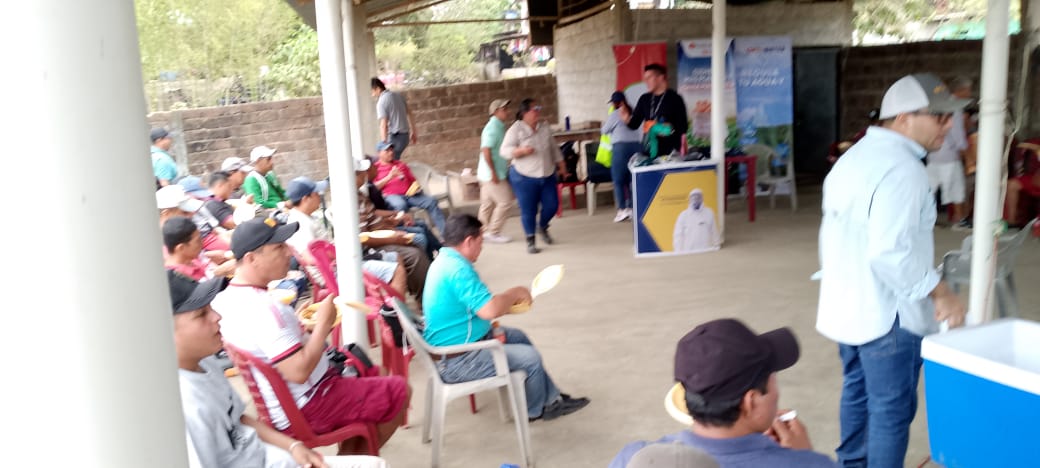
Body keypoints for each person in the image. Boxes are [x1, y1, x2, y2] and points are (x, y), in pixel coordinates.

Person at [817, 73, 968, 468]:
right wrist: (941, 292)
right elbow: (890, 253)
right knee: (890, 412)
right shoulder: (903, 169)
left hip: (848, 304)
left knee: (857, 393)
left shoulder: (853, 158)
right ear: (904, 118)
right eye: (939, 117)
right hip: (888, 316)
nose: (948, 125)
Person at [211, 218, 410, 452]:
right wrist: (324, 324)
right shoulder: (265, 310)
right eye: (279, 247)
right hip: (310, 403)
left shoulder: (225, 300)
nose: (289, 253)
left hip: (287, 402)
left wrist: (298, 327)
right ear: (251, 258)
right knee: (400, 390)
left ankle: (353, 456)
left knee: (376, 373)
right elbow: (298, 372)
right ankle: (354, 459)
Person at [423, 213, 589, 421]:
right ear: (469, 241)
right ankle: (535, 410)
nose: (482, 248)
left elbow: (478, 307)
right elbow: (489, 310)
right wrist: (514, 293)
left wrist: (510, 306)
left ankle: (550, 398)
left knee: (518, 337)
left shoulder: (445, 260)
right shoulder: (457, 269)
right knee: (530, 358)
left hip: (458, 347)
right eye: (480, 242)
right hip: (457, 361)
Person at [610, 319, 838, 468]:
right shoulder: (809, 465)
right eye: (773, 377)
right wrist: (804, 458)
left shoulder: (632, 458)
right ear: (751, 402)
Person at [167, 271, 328, 468]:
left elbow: (238, 419)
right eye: (201, 314)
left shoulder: (205, 363)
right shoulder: (185, 407)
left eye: (210, 308)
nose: (217, 316)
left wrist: (293, 446)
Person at [285, 174, 410, 298]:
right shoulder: (300, 223)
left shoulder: (306, 217)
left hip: (341, 265)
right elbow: (310, 258)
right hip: (337, 274)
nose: (319, 196)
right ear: (306, 199)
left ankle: (387, 302)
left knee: (395, 257)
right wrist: (341, 253)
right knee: (397, 271)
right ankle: (392, 310)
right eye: (316, 193)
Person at [500, 98, 571, 254]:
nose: (538, 111)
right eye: (535, 108)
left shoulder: (544, 127)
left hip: (547, 175)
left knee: (552, 205)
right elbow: (504, 151)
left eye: (539, 108)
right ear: (525, 112)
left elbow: (554, 149)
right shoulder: (516, 129)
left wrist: (562, 167)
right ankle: (530, 240)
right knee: (528, 209)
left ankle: (542, 226)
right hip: (523, 177)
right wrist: (521, 151)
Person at [355, 161, 431, 301]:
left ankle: (424, 291)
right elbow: (363, 238)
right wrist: (393, 238)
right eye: (361, 173)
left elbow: (372, 218)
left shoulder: (359, 194)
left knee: (417, 240)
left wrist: (390, 222)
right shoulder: (351, 200)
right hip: (370, 248)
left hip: (382, 233)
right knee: (416, 252)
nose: (364, 174)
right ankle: (423, 299)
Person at [361, 156, 443, 260]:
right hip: (383, 227)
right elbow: (374, 213)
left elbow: (412, 180)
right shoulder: (367, 188)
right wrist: (396, 216)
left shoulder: (399, 165)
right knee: (420, 235)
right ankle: (429, 259)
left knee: (422, 223)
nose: (377, 167)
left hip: (389, 219)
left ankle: (439, 251)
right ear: (368, 170)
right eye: (374, 166)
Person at [926, 77, 972, 231]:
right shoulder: (955, 108)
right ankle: (959, 220)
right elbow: (957, 135)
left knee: (929, 190)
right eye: (968, 90)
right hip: (949, 155)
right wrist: (966, 155)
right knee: (956, 187)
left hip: (933, 153)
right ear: (961, 91)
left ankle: (925, 220)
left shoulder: (938, 104)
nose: (969, 94)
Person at [372, 141, 447, 234]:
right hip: (392, 196)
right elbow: (374, 188)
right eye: (387, 151)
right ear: (379, 153)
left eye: (391, 150)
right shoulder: (375, 168)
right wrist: (389, 177)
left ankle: (446, 235)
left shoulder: (400, 164)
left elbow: (413, 181)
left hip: (410, 195)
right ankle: (410, 235)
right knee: (400, 205)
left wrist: (417, 188)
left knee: (431, 201)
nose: (391, 152)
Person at [619, 64, 688, 156]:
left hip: (671, 153)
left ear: (660, 77)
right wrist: (627, 120)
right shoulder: (644, 99)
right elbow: (634, 124)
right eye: (645, 79)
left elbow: (683, 127)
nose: (646, 82)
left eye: (649, 78)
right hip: (650, 151)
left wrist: (669, 130)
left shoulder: (675, 98)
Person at [477, 98, 515, 243]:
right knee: (505, 202)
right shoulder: (493, 128)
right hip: (491, 173)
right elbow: (486, 150)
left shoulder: (498, 126)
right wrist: (493, 172)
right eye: (504, 109)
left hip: (485, 173)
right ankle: (494, 232)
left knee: (487, 204)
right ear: (495, 112)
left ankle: (481, 232)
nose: (507, 112)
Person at [602, 91, 643, 222]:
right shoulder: (634, 111)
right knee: (631, 180)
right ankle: (632, 208)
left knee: (618, 180)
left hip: (621, 148)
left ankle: (622, 210)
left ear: (615, 103)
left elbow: (604, 130)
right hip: (637, 147)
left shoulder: (615, 113)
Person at [179, 175, 231, 252]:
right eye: (197, 196)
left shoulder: (200, 206)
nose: (201, 198)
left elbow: (215, 228)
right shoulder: (182, 218)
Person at [371, 77, 417, 160]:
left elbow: (383, 125)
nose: (372, 95)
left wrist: (384, 145)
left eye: (372, 91)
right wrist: (413, 131)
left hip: (396, 137)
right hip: (405, 137)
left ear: (378, 89)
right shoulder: (398, 95)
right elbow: (410, 113)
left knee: (388, 161)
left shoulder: (381, 102)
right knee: (392, 161)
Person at [163, 217, 213, 281]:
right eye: (197, 241)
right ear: (181, 248)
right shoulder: (179, 279)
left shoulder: (192, 258)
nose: (202, 243)